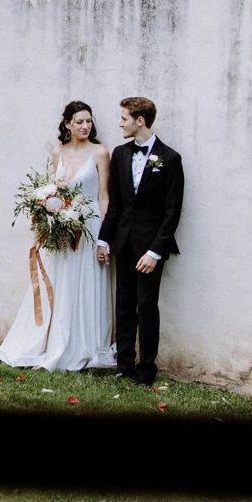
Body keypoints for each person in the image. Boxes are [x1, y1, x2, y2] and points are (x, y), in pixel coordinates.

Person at [0, 101, 117, 372]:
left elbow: (104, 196)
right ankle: (52, 340)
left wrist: (104, 238)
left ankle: (84, 344)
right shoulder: (58, 152)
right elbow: (52, 191)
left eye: (89, 121)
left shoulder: (100, 152)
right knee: (61, 283)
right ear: (67, 124)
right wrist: (48, 219)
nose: (85, 126)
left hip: (90, 227)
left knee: (85, 283)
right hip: (62, 230)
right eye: (79, 122)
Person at [97, 96, 183, 386]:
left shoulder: (170, 159)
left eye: (124, 118)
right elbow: (117, 204)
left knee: (146, 307)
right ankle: (124, 366)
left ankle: (146, 371)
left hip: (150, 250)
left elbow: (172, 213)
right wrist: (103, 240)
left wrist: (155, 252)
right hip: (123, 244)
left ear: (140, 121)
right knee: (124, 305)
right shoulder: (121, 154)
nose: (120, 123)